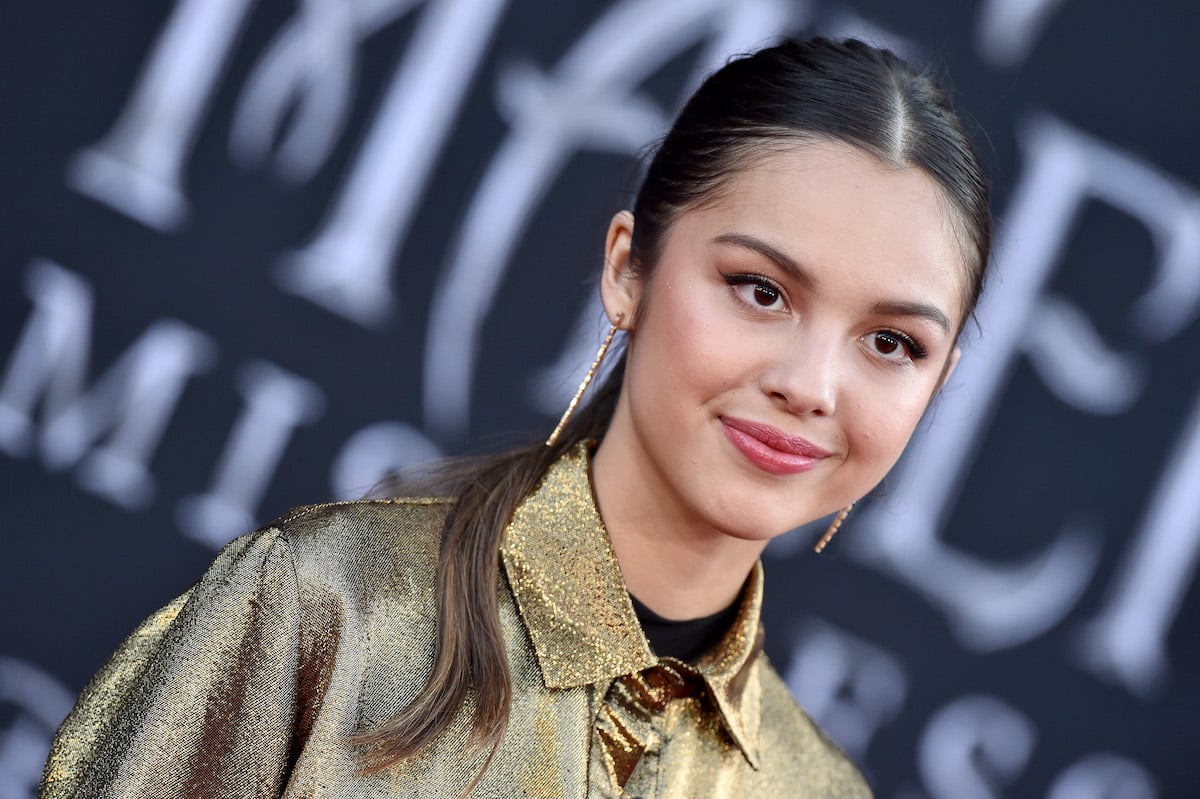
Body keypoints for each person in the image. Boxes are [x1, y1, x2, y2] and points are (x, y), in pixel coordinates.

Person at [39, 36, 990, 799]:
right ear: (629, 270)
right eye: (759, 289)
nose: (813, 384)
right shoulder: (326, 605)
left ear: (939, 384)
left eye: (892, 343)